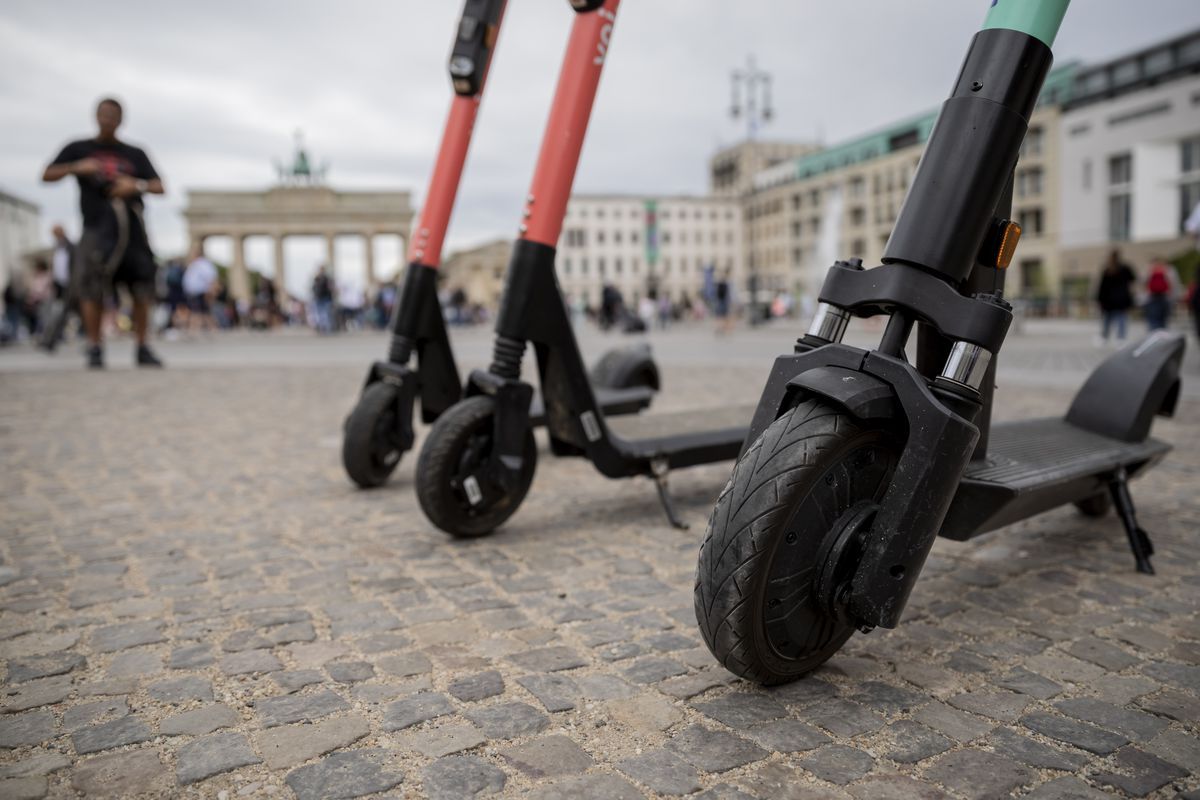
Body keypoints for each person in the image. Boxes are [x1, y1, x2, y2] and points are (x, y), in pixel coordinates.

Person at [42, 97, 165, 368]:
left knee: (142, 286)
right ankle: (95, 346)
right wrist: (76, 167)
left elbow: (159, 186)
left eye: (113, 115)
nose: (108, 119)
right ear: (96, 116)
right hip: (96, 227)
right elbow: (46, 174)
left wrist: (136, 185)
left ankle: (142, 346)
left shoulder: (135, 153)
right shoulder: (79, 148)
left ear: (121, 120)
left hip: (132, 229)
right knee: (91, 288)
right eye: (104, 114)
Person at [1096, 249, 1136, 342]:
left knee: (1108, 319)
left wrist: (1099, 299)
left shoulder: (1108, 269)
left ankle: (1105, 337)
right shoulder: (1125, 268)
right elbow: (1133, 279)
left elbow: (1102, 287)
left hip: (1109, 299)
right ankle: (1120, 337)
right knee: (1121, 318)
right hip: (1121, 298)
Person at [183, 244, 218, 333]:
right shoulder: (194, 264)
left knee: (198, 311)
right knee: (202, 311)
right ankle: (210, 328)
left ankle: (194, 328)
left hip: (200, 291)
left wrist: (212, 291)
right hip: (194, 292)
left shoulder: (203, 264)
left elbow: (210, 277)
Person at [1143, 257, 1179, 332]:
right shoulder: (1168, 269)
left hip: (1152, 297)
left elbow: (1144, 283)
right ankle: (1162, 335)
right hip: (1164, 296)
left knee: (1153, 319)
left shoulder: (1150, 269)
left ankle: (1154, 334)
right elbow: (1174, 284)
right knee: (1163, 320)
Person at [311, 266, 335, 333]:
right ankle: (322, 327)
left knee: (324, 313)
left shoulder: (324, 278)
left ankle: (324, 327)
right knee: (321, 313)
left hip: (324, 298)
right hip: (320, 298)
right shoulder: (317, 278)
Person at [714, 270, 733, 334]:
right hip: (722, 301)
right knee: (723, 316)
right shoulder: (723, 284)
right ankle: (723, 328)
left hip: (722, 301)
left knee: (723, 316)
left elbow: (718, 294)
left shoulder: (723, 284)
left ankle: (723, 328)